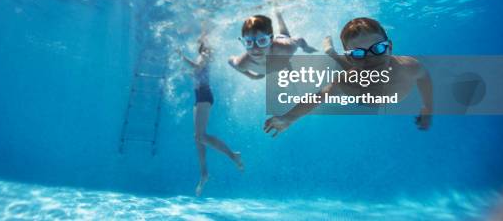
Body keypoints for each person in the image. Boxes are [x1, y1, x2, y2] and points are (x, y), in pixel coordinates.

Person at [264, 17, 433, 136]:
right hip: (359, 84)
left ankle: (332, 52)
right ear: (351, 56)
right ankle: (333, 53)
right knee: (353, 70)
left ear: (390, 46)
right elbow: (319, 96)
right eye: (358, 53)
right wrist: (289, 118)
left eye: (378, 48)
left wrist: (427, 108)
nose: (371, 57)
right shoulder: (346, 80)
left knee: (359, 67)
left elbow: (424, 77)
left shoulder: (409, 66)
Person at [179, 35, 243, 197]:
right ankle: (203, 174)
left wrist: (181, 57)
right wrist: (188, 70)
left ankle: (232, 155)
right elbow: (197, 71)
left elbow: (198, 68)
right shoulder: (203, 56)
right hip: (199, 95)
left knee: (200, 136)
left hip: (204, 95)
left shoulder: (205, 55)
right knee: (197, 137)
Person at [228, 10, 317, 79]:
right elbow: (230, 61)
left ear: (270, 40)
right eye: (248, 42)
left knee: (285, 35)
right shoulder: (243, 63)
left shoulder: (286, 48)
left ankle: (277, 13)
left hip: (280, 41)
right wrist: (252, 77)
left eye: (262, 41)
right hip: (277, 62)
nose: (255, 48)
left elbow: (299, 40)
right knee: (282, 63)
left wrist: (306, 48)